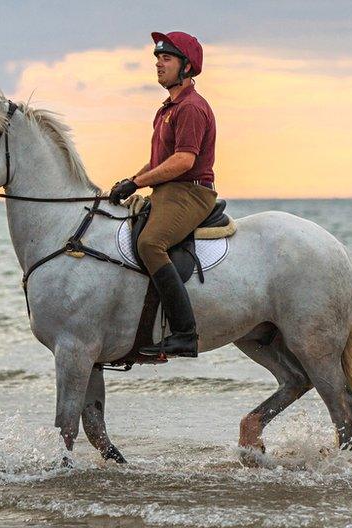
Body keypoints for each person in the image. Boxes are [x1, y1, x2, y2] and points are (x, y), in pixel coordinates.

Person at [109, 31, 218, 358]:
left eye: (166, 58)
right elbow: (162, 161)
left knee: (149, 244)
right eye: (157, 58)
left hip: (191, 192)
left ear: (186, 66)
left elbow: (184, 161)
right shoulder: (168, 108)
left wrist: (137, 182)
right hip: (169, 189)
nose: (159, 64)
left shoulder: (191, 108)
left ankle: (185, 333)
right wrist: (132, 179)